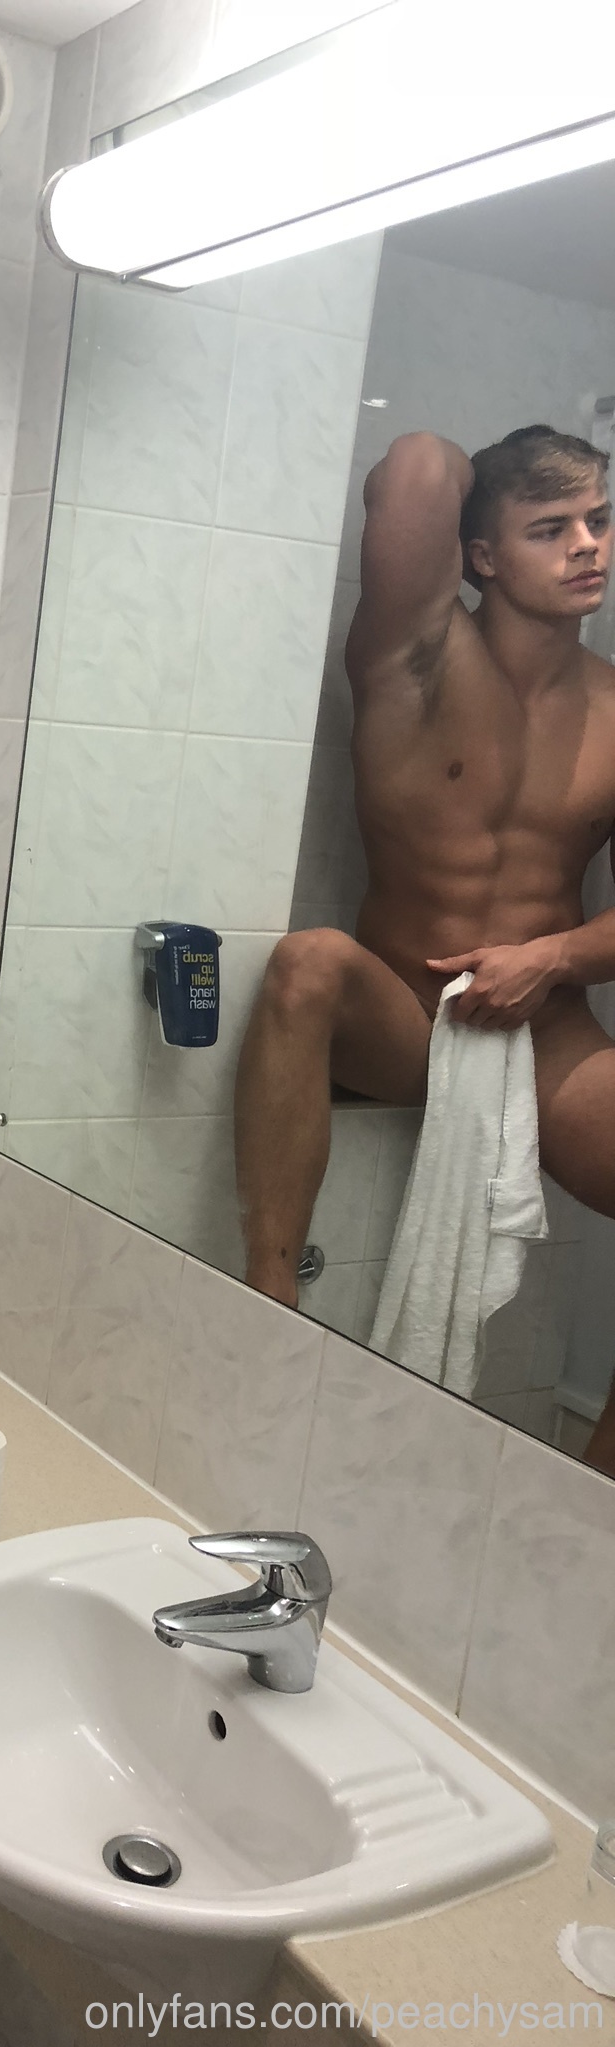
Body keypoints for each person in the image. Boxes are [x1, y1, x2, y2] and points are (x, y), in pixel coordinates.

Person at [235, 424, 615, 1477]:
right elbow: (417, 469)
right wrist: (491, 470)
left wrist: (551, 957)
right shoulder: (411, 655)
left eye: (599, 519)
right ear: (479, 554)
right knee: (308, 962)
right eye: (551, 528)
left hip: (548, 1031)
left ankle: (593, 1494)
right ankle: (267, 1308)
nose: (589, 545)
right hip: (407, 1011)